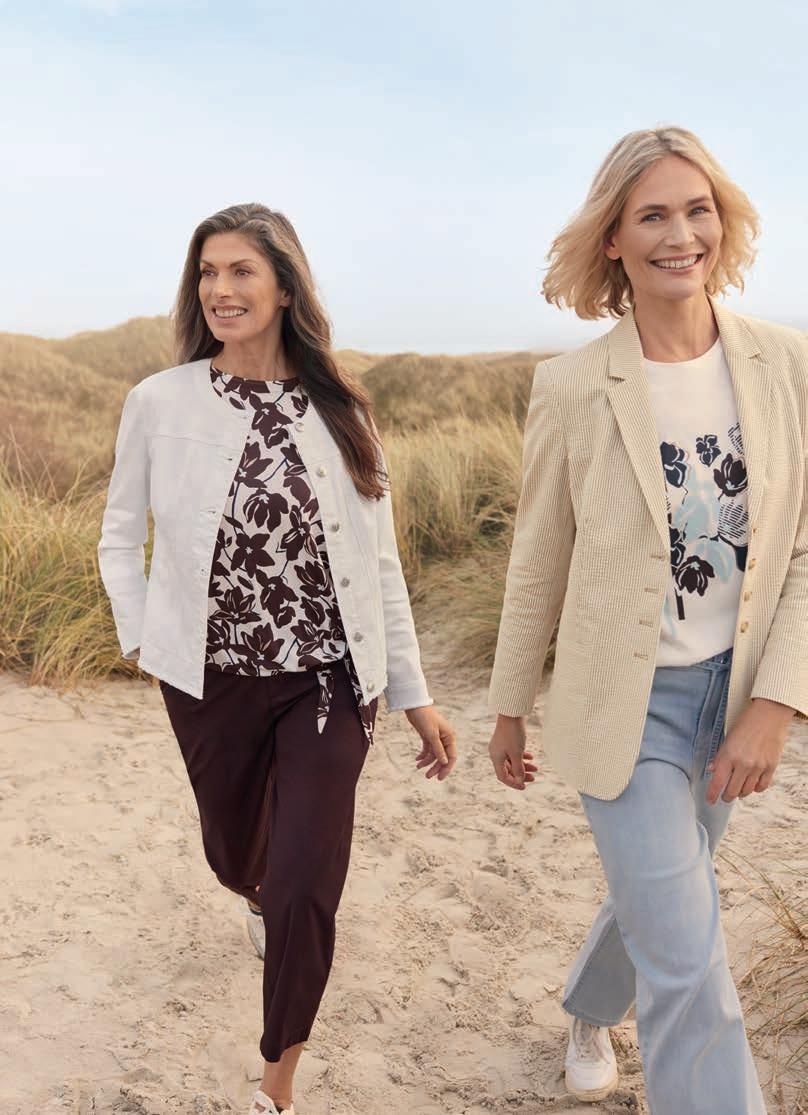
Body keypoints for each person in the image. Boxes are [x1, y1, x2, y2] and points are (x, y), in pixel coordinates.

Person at [98, 203, 458, 1115]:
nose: (220, 290)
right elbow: (118, 537)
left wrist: (414, 694)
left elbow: (380, 565)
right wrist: (144, 637)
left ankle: (276, 1086)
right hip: (209, 677)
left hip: (329, 679)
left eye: (240, 271)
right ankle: (250, 892)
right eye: (207, 273)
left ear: (285, 287)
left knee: (304, 880)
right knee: (236, 856)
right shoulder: (159, 402)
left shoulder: (342, 410)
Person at [487, 127, 807, 1114]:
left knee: (672, 894)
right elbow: (539, 556)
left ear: (723, 222)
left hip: (734, 693)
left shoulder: (786, 362)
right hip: (625, 703)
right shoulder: (573, 385)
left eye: (697, 209)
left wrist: (775, 704)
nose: (681, 234)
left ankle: (589, 1009)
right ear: (613, 240)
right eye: (652, 215)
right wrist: (508, 705)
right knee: (688, 960)